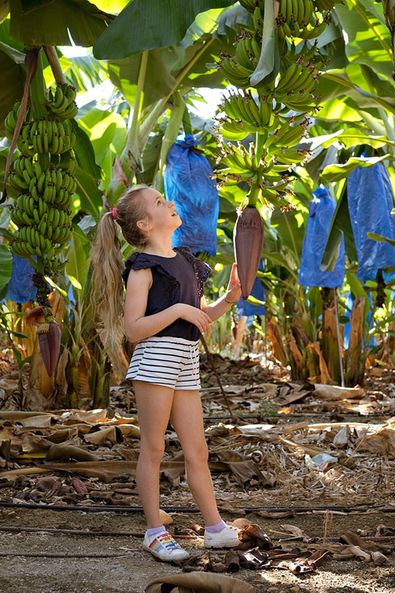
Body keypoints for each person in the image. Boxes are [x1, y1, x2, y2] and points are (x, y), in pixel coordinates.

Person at [92, 184, 242, 562]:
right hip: (156, 360)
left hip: (185, 359)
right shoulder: (143, 268)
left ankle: (214, 528)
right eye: (160, 202)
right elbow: (134, 329)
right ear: (144, 223)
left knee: (198, 449)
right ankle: (155, 532)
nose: (171, 201)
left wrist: (228, 299)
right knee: (155, 447)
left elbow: (199, 318)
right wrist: (177, 310)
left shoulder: (185, 260)